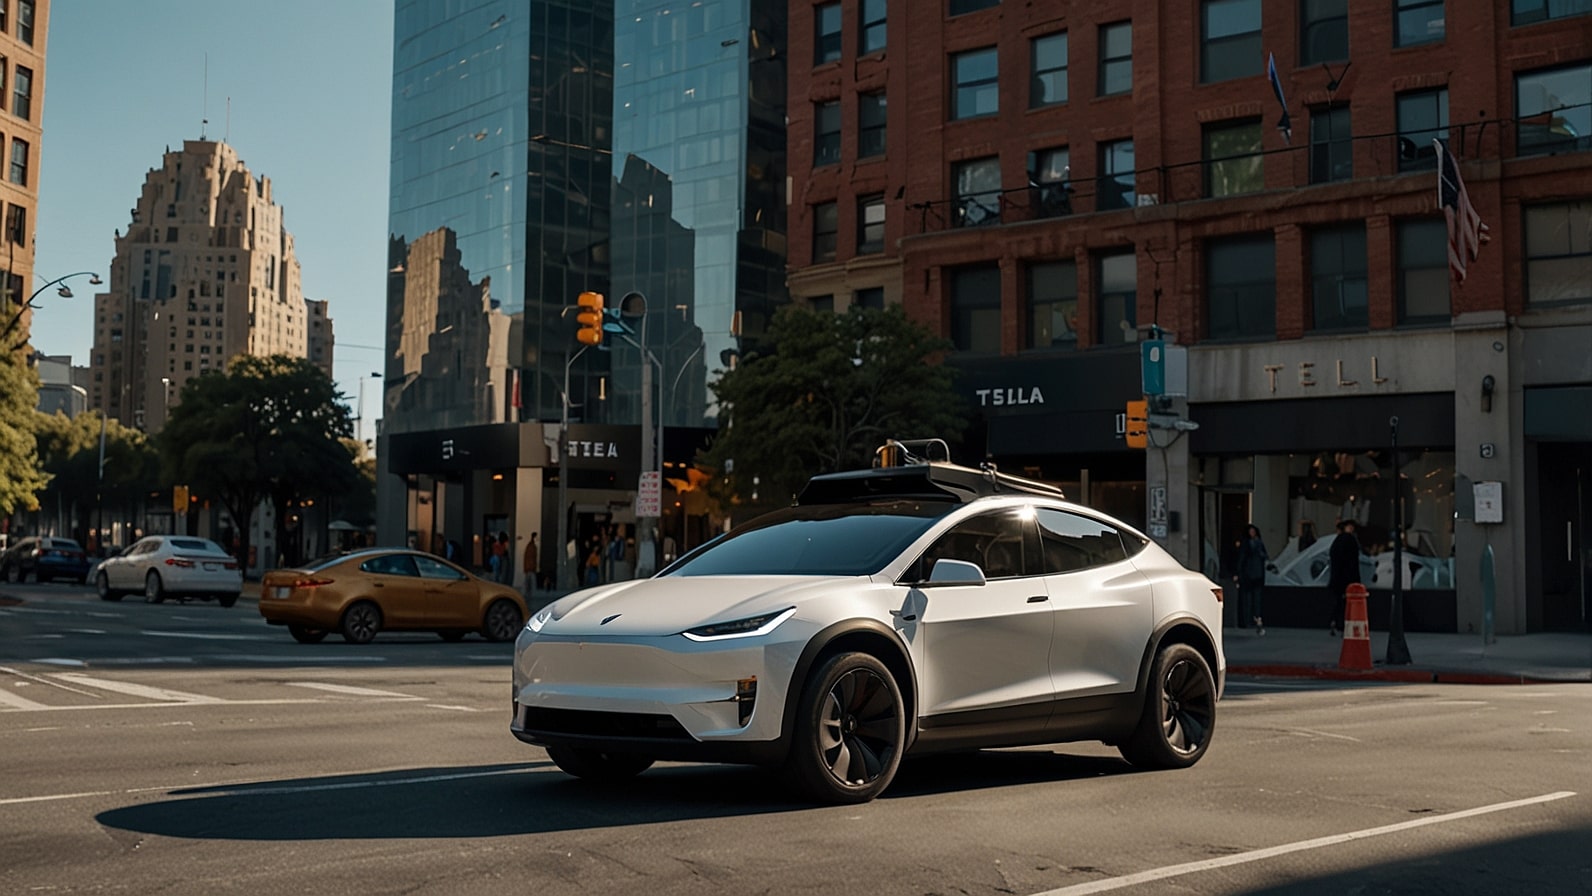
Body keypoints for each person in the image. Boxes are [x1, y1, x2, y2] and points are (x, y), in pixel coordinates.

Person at [1327, 518, 1360, 636]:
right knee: (1346, 603)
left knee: (1338, 602)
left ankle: (1335, 622)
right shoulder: (1349, 540)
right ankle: (1342, 624)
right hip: (1347, 578)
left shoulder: (1336, 541)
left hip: (1337, 578)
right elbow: (1352, 562)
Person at [1235, 523, 1268, 635]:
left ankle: (1256, 617)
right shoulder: (1246, 544)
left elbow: (1264, 556)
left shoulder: (1259, 543)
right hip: (1249, 574)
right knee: (1248, 598)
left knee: (1255, 598)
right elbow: (1242, 558)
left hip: (1256, 574)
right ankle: (1249, 619)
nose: (1252, 534)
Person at [522, 532, 539, 598]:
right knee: (529, 581)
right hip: (530, 567)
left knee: (528, 582)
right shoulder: (532, 547)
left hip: (529, 567)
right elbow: (530, 558)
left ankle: (527, 594)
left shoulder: (531, 546)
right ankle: (528, 594)